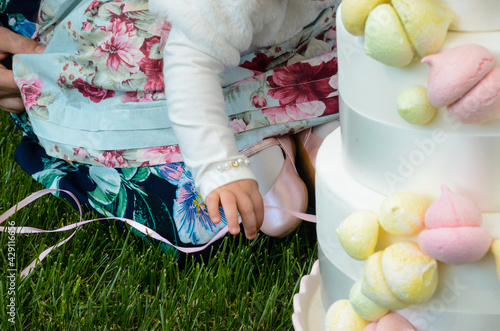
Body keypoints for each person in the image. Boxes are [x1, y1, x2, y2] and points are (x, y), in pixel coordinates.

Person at [1, 0, 340, 259]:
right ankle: (253, 123)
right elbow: (190, 63)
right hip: (178, 48)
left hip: (297, 33)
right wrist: (220, 165)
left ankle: (299, 106)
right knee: (217, 217)